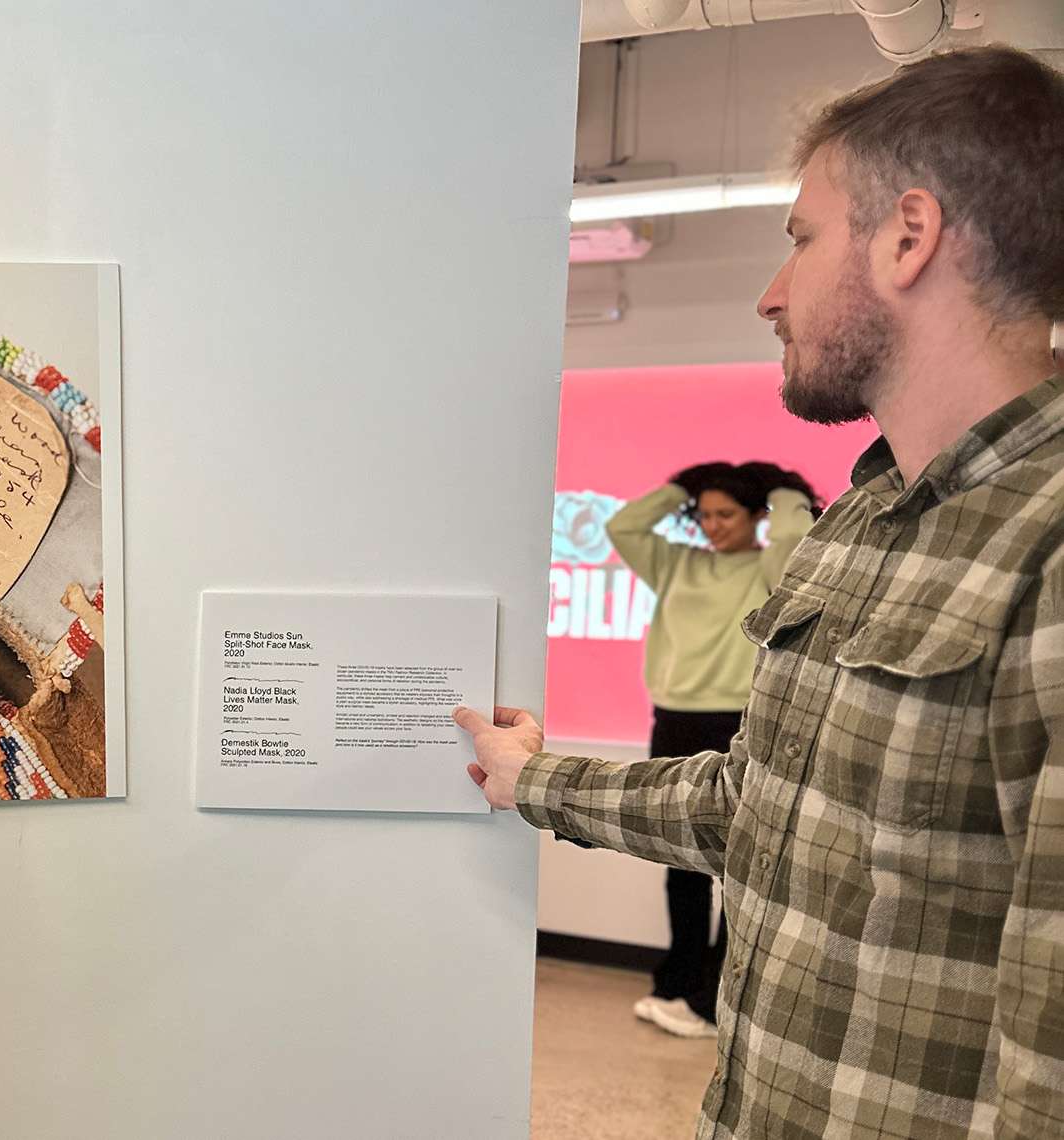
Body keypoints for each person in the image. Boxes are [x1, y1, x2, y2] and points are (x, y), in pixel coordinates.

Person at [457, 46, 1064, 1138]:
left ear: (909, 237)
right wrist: (531, 779)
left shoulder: (1047, 539)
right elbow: (760, 809)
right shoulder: (861, 522)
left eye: (800, 239)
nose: (770, 296)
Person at [605, 461, 818, 1038]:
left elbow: (795, 541)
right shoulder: (675, 562)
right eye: (703, 514)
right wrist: (686, 482)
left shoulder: (770, 568)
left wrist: (783, 489)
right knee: (678, 858)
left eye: (726, 513)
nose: (713, 525)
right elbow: (624, 526)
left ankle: (716, 998)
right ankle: (679, 978)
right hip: (673, 719)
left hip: (736, 721)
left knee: (733, 863)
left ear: (755, 514)